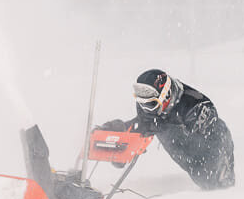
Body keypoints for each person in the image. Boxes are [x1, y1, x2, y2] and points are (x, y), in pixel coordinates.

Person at [100, 68, 236, 190]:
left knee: (213, 184)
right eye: (142, 104)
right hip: (178, 144)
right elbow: (145, 123)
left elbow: (212, 139)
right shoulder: (150, 109)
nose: (146, 110)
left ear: (166, 95)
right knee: (202, 178)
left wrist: (216, 167)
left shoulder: (194, 106)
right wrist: (121, 136)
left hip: (210, 141)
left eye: (151, 104)